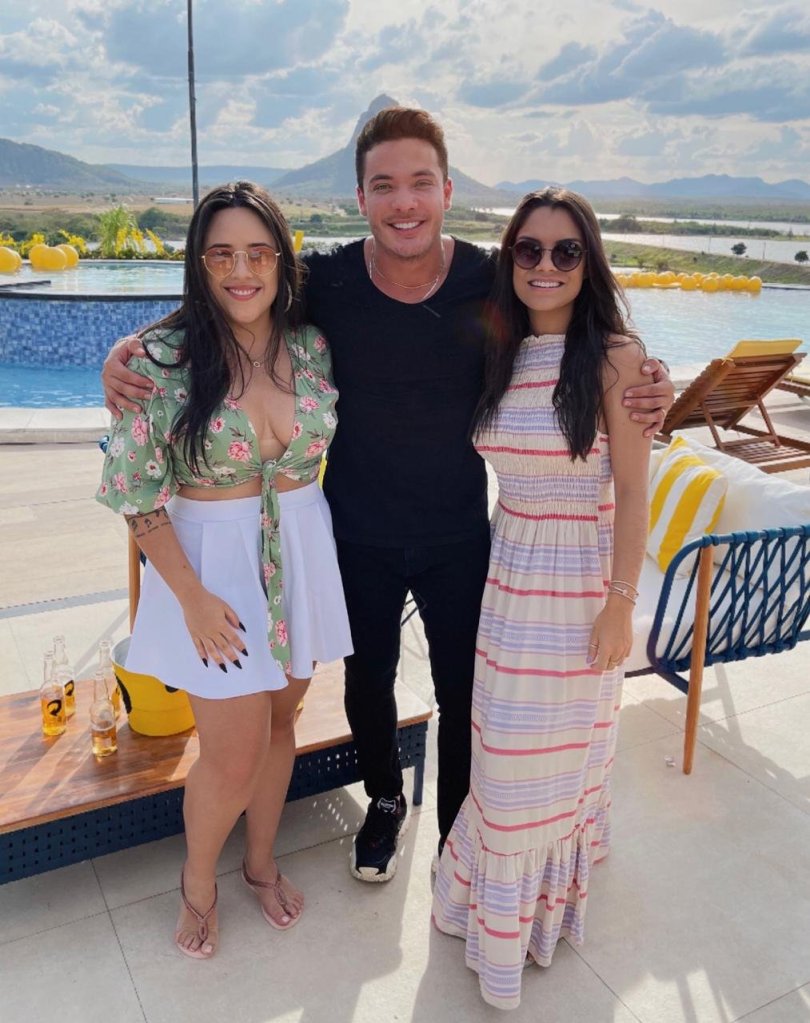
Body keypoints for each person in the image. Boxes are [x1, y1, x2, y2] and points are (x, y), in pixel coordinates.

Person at [101, 107, 674, 886]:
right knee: (366, 681)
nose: (404, 202)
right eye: (384, 185)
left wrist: (646, 377)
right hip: (352, 531)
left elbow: (570, 327)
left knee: (463, 690)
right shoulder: (327, 281)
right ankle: (383, 798)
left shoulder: (490, 278)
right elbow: (235, 293)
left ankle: (458, 836)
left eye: (420, 183)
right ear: (362, 196)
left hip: (461, 534)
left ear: (446, 189)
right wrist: (124, 351)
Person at [96, 181, 352, 958]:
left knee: (281, 723)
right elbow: (136, 493)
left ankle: (260, 863)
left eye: (258, 253)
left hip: (299, 549)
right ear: (199, 264)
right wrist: (193, 599)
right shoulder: (162, 360)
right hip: (210, 570)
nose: (242, 271)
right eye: (221, 255)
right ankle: (198, 881)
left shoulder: (311, 344)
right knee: (231, 752)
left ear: (281, 260)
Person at [430, 186, 651, 1009]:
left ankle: (528, 922)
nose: (546, 264)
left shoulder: (617, 359)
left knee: (541, 764)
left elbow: (634, 493)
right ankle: (491, 908)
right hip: (508, 578)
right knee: (498, 756)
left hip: (577, 588)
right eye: (529, 249)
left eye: (566, 250)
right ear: (510, 260)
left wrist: (621, 600)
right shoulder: (504, 352)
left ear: (589, 262)